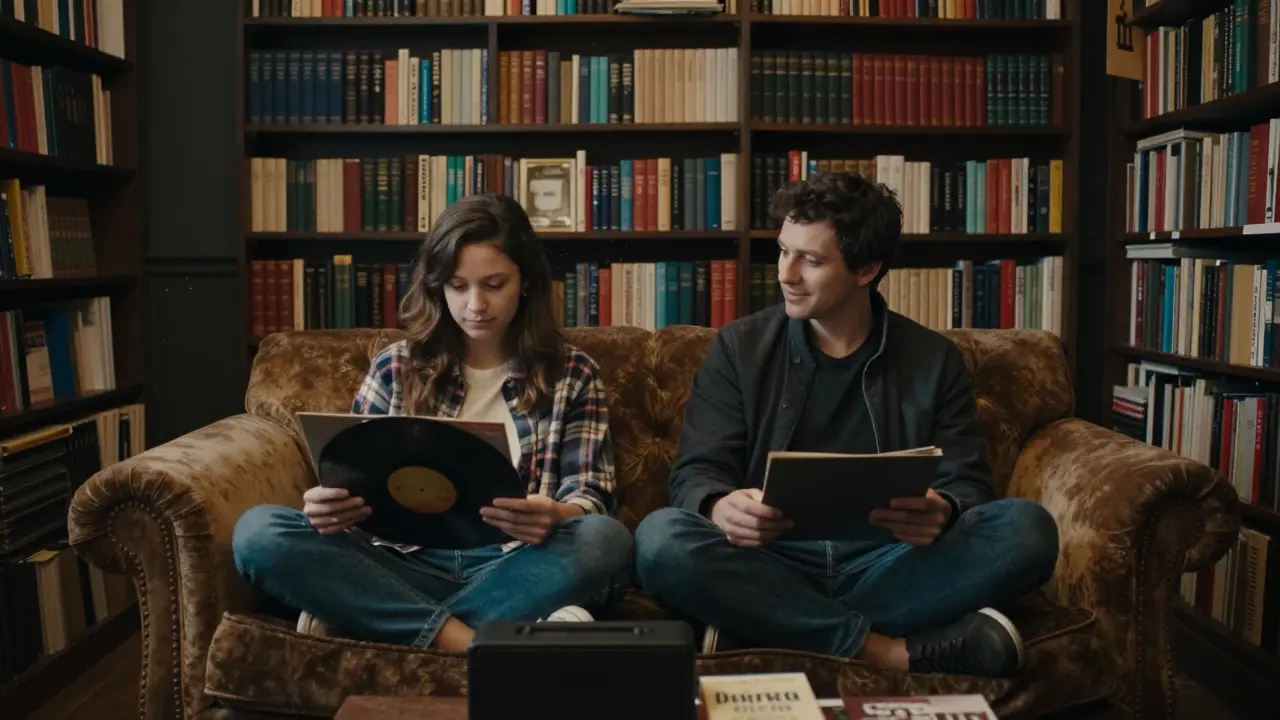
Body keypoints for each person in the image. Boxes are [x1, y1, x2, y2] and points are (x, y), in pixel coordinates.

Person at [632, 172, 1060, 678]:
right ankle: (886, 651)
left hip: (890, 562)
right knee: (661, 540)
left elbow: (966, 480)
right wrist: (718, 505)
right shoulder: (737, 349)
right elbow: (695, 473)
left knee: (1028, 531)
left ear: (866, 268)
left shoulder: (932, 359)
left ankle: (765, 622)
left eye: (811, 260)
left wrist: (944, 508)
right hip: (769, 561)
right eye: (783, 251)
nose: (786, 274)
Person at [232, 193, 633, 652]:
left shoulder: (572, 373)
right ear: (438, 286)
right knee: (259, 533)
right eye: (458, 286)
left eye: (494, 284)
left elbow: (592, 494)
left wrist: (557, 515)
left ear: (525, 282)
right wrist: (328, 507)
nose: (475, 304)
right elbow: (350, 473)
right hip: (398, 561)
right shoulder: (395, 366)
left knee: (606, 544)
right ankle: (473, 642)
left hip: (514, 564)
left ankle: (367, 619)